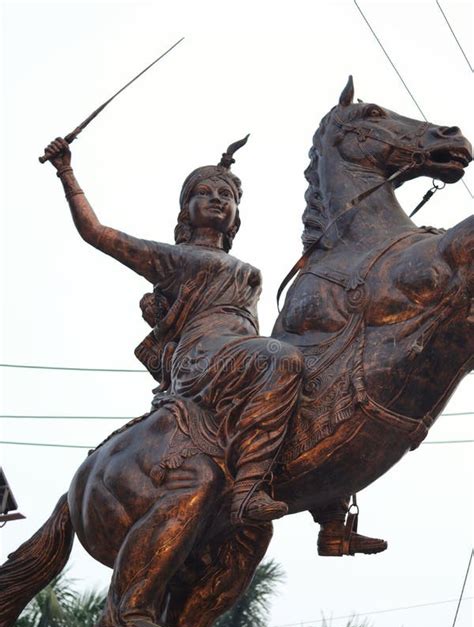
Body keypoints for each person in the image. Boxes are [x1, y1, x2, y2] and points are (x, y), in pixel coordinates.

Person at [44, 135, 304, 525]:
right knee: (284, 358)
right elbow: (96, 233)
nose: (218, 199)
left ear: (236, 214)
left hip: (244, 356)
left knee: (319, 383)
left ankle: (333, 518)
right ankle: (248, 490)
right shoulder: (176, 258)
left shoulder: (248, 270)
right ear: (187, 210)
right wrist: (66, 171)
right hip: (203, 360)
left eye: (227, 195)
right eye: (205, 192)